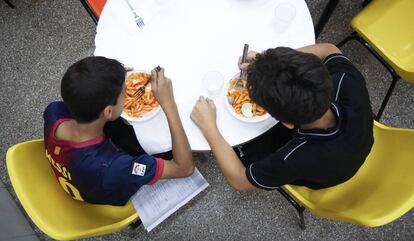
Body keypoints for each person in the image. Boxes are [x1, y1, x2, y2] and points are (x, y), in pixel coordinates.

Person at [191, 43, 373, 191]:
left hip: (328, 173)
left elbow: (240, 181)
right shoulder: (346, 80)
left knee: (252, 152)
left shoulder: (294, 158)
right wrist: (272, 65)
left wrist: (209, 128)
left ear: (286, 123)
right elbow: (329, 49)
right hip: (361, 136)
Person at [44, 56, 194, 206]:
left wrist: (110, 78)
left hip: (81, 171)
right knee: (165, 149)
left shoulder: (53, 111)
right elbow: (185, 168)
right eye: (125, 93)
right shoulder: (118, 167)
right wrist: (169, 103)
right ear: (108, 111)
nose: (127, 92)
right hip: (108, 180)